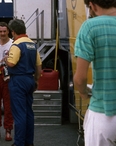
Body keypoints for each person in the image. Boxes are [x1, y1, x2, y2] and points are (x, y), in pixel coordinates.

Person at [73, 0, 116, 146]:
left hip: (103, 113)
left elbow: (80, 78)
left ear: (92, 5)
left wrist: (84, 93)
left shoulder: (90, 27)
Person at [5, 19, 42, 146]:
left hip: (18, 80)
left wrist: (6, 59)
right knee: (28, 113)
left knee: (19, 114)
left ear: (13, 32)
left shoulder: (16, 45)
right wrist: (36, 80)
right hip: (30, 79)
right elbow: (38, 67)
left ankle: (19, 143)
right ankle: (29, 142)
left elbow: (11, 63)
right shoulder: (32, 45)